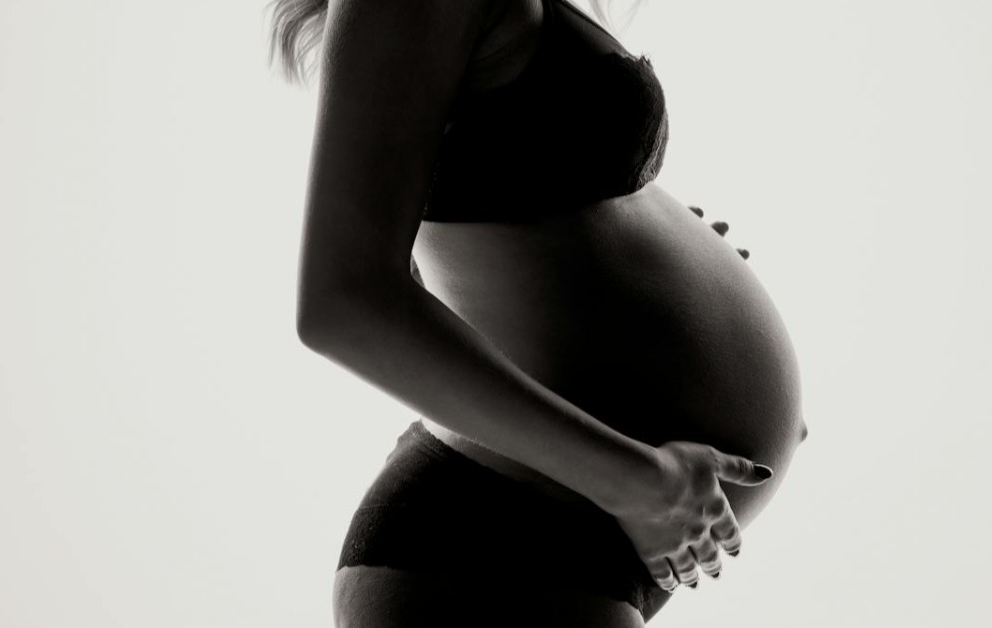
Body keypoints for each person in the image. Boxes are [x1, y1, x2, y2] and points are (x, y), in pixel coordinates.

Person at [267, 0, 810, 625]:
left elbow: (464, 226)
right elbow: (342, 302)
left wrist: (648, 268)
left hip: (555, 525)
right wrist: (635, 481)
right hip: (492, 540)